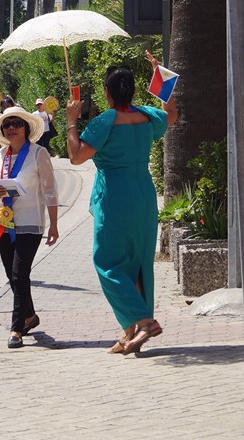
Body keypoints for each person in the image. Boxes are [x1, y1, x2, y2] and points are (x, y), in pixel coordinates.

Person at [66, 51, 178, 354]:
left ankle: (144, 322)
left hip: (115, 196)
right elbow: (172, 115)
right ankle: (129, 334)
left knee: (107, 263)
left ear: (106, 92)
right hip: (143, 193)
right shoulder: (146, 116)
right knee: (137, 262)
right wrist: (161, 75)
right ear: (133, 90)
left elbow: (76, 157)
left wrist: (71, 122)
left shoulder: (106, 120)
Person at [0, 106, 59, 349]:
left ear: (26, 128)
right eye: (7, 124)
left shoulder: (39, 154)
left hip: (30, 221)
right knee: (13, 276)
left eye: (16, 123)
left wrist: (54, 225)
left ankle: (16, 328)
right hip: (4, 222)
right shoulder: (0, 156)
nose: (11, 128)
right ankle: (30, 316)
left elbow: (49, 191)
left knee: (20, 274)